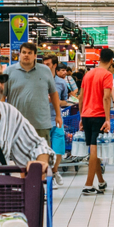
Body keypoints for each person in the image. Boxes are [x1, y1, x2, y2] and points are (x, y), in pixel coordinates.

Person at [79, 47, 114, 195]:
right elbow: (106, 97)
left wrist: (81, 116)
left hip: (86, 115)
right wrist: (107, 119)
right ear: (112, 60)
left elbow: (80, 97)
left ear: (99, 58)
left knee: (95, 150)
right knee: (94, 150)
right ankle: (88, 185)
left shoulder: (87, 74)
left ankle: (100, 181)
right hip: (98, 115)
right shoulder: (107, 75)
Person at [42, 54, 71, 185]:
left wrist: (56, 101)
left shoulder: (61, 83)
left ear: (54, 65)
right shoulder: (39, 80)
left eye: (48, 64)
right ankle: (48, 176)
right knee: (44, 151)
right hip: (41, 120)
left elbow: (66, 101)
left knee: (59, 149)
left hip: (57, 119)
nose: (45, 67)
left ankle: (54, 171)